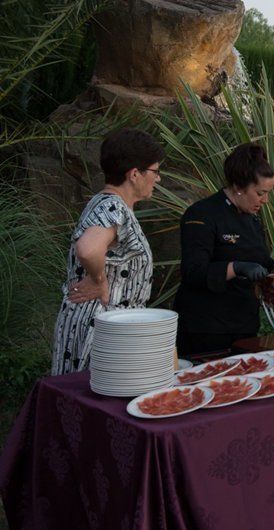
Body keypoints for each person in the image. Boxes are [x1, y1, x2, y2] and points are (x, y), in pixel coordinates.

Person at [51, 128, 165, 375]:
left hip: (101, 327)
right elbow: (88, 248)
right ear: (134, 174)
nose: (158, 179)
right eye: (155, 172)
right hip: (102, 331)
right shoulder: (113, 207)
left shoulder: (106, 204)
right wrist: (98, 280)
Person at [174, 143, 274, 358]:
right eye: (260, 193)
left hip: (244, 326)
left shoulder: (252, 220)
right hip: (206, 329)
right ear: (239, 186)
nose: (265, 200)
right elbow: (193, 272)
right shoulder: (202, 214)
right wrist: (236, 268)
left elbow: (260, 259)